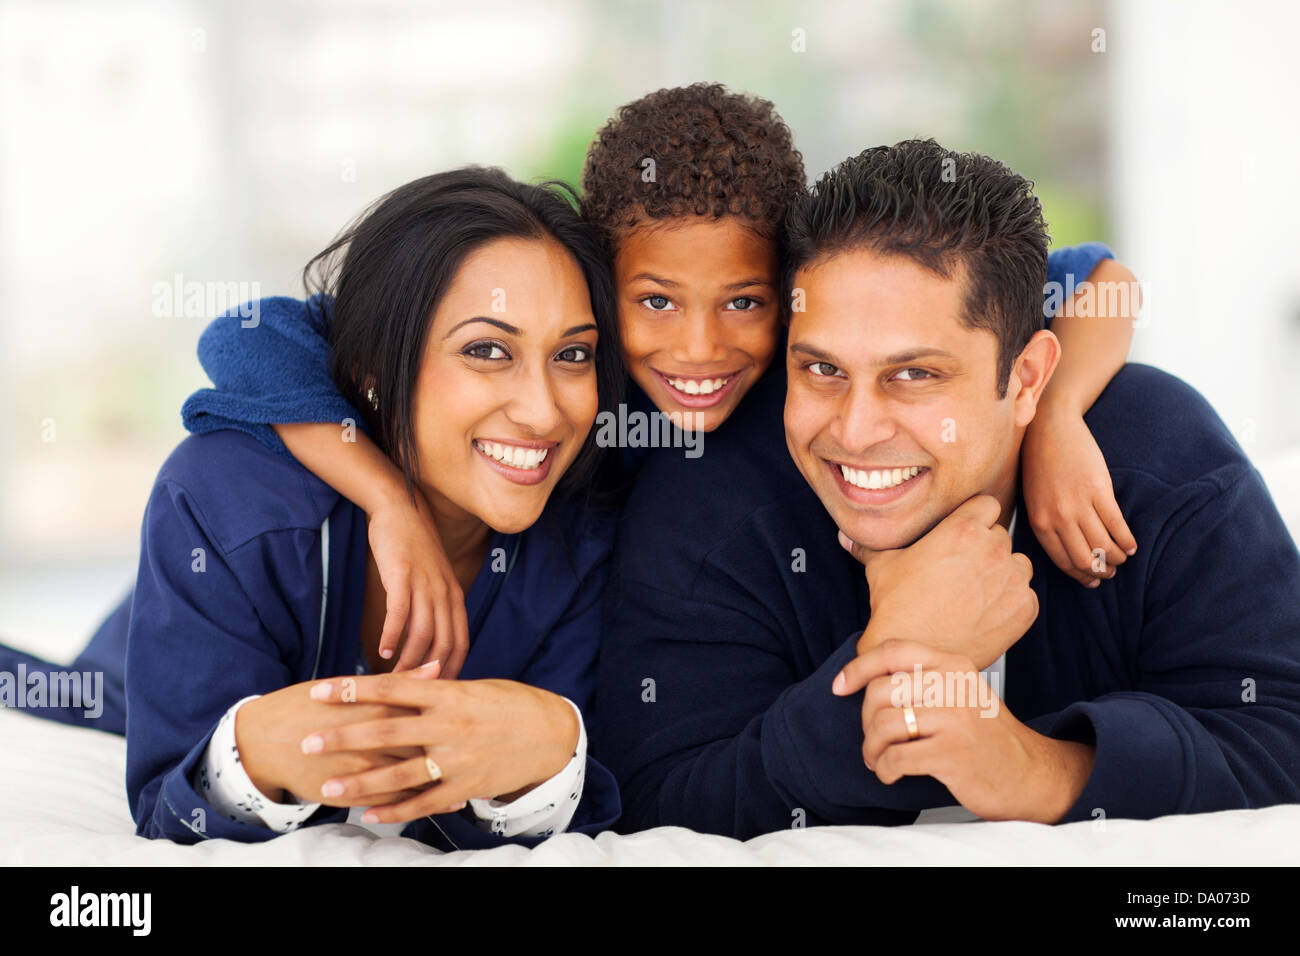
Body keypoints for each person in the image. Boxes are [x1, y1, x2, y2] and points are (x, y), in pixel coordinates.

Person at [183, 84, 1143, 676]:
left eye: (744, 303)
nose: (697, 350)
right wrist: (387, 502)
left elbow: (1100, 277)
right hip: (278, 607)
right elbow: (249, 332)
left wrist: (1053, 418)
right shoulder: (563, 355)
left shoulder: (821, 369)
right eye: (653, 304)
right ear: (601, 280)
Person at [595, 139, 1300, 838]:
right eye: (820, 370)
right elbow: (652, 799)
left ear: (1026, 380)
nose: (857, 429)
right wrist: (897, 654)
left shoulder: (1161, 459)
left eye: (915, 375)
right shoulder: (703, 495)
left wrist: (1032, 770)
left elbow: (1282, 733)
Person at [0, 167, 624, 850]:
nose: (542, 410)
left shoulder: (591, 523)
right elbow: (167, 800)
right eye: (485, 350)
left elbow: (577, 790)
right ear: (373, 372)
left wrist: (547, 754)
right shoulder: (226, 497)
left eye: (572, 353)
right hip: (111, 690)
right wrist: (255, 759)